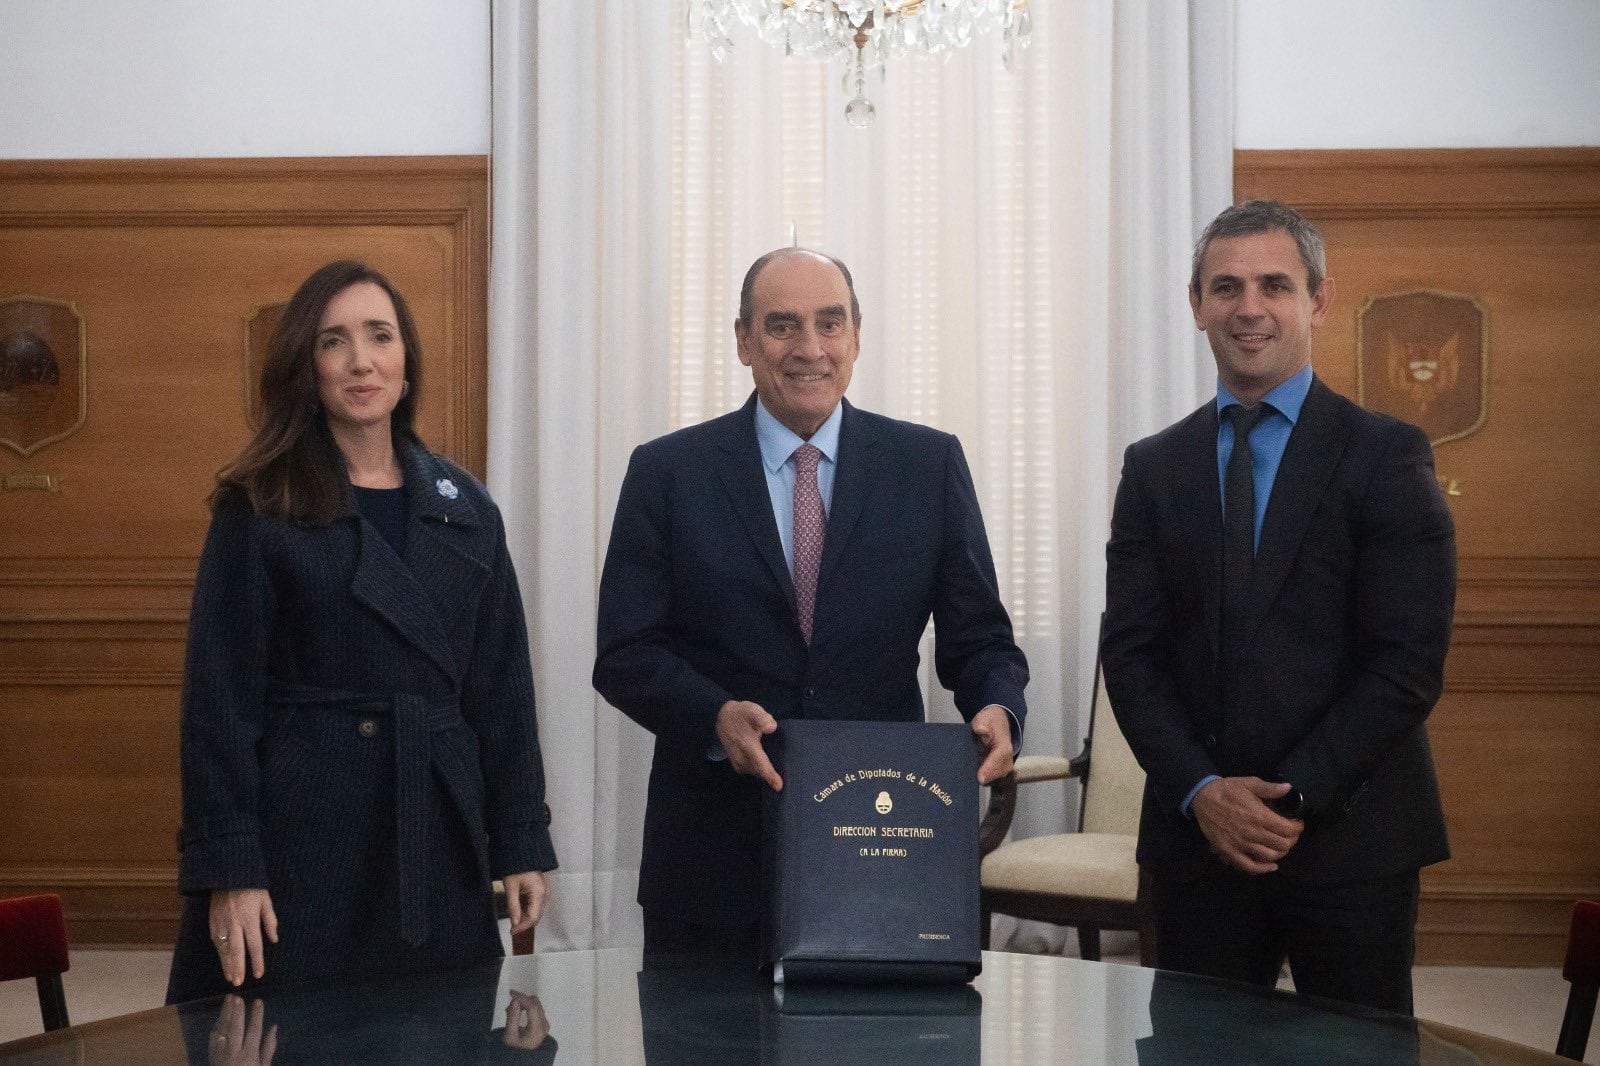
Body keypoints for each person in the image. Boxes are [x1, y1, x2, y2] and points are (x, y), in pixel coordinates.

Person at [593, 248, 1028, 955]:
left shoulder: (927, 465)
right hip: (710, 856)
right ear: (742, 340)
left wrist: (997, 706)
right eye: (782, 326)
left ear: (857, 336)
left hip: (881, 845)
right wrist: (713, 716)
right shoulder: (667, 472)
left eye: (831, 324)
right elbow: (625, 653)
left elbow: (979, 639)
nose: (810, 350)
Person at [165, 260, 556, 1004]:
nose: (361, 360)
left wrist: (520, 839)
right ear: (306, 369)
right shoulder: (260, 504)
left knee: (437, 1039)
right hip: (303, 835)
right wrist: (231, 868)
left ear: (407, 361)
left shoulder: (466, 505)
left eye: (380, 336)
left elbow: (502, 690)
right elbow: (219, 705)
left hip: (437, 834)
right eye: (333, 341)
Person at [1101, 200, 1456, 1013]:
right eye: (1225, 287)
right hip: (1198, 846)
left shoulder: (1387, 456)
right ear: (1196, 305)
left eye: (1274, 285)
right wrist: (1204, 792)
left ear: (1318, 300)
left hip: (1351, 839)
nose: (1249, 307)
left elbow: (1405, 665)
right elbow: (1131, 654)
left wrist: (1285, 801)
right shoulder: (1155, 468)